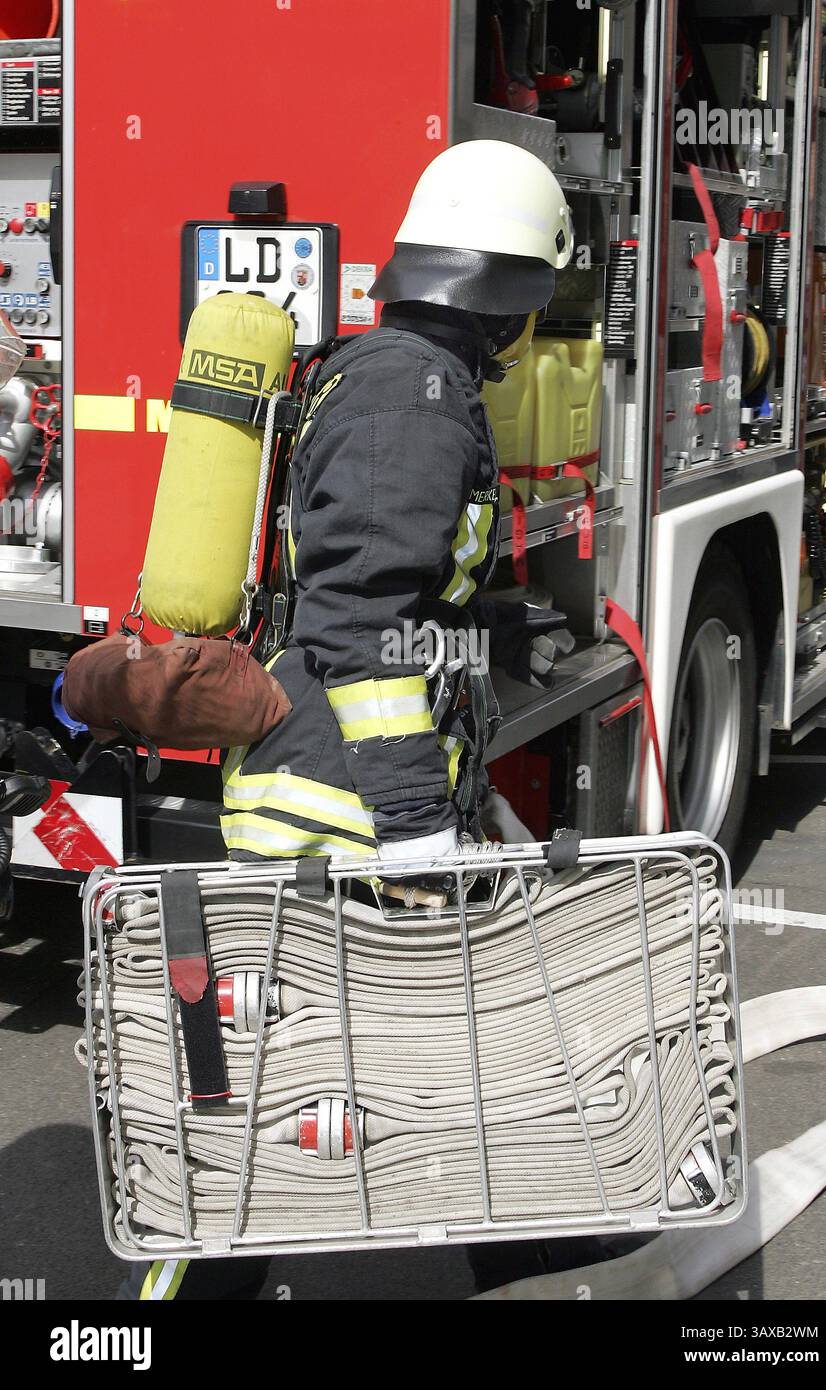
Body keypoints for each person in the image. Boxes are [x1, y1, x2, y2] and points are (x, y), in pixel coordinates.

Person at [122, 137, 574, 1300]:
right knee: (263, 1132)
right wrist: (417, 818)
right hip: (338, 825)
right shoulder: (414, 395)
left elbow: (396, 588)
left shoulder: (387, 373)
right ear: (507, 296)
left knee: (333, 1103)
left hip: (331, 807)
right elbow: (361, 613)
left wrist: (489, 631)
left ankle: (507, 1265)